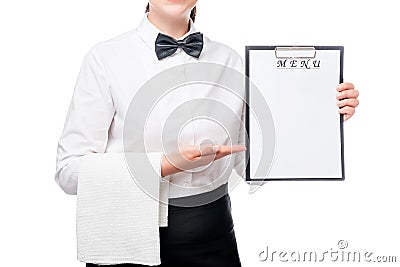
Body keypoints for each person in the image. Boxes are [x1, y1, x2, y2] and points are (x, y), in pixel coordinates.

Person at [55, 1, 360, 266]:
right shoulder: (104, 58)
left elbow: (252, 164)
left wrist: (320, 119)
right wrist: (165, 164)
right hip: (122, 235)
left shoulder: (230, 60)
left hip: (211, 233)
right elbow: (69, 172)